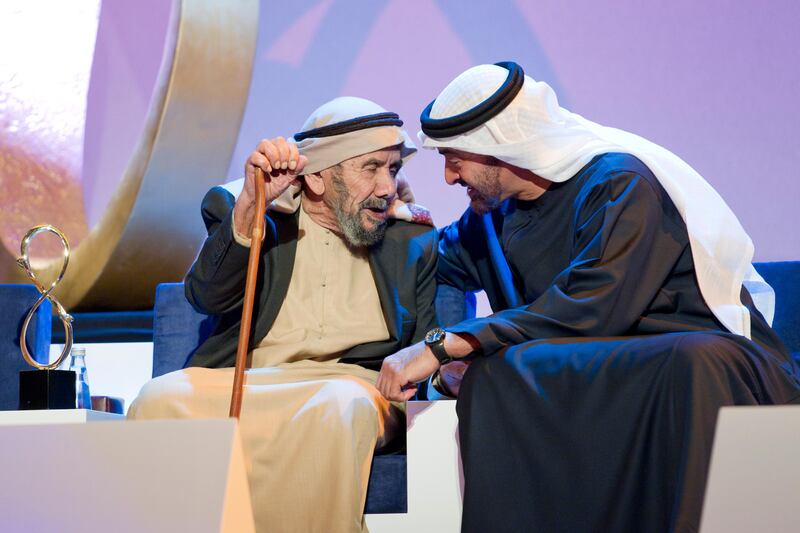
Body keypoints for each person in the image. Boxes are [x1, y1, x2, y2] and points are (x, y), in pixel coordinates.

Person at [376, 62, 800, 532]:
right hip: (588, 361)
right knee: (494, 374)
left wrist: (448, 344)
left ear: (500, 148)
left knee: (690, 363)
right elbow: (436, 264)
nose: (451, 177)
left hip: (682, 346)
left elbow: (594, 302)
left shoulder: (618, 182)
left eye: (456, 158)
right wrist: (388, 220)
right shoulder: (491, 217)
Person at [129, 96, 438, 533]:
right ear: (315, 179)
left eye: (392, 169)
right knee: (159, 399)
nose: (387, 187)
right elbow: (204, 296)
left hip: (354, 384)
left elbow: (423, 346)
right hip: (254, 378)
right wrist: (251, 208)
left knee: (339, 407)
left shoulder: (410, 241)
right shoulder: (263, 221)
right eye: (370, 168)